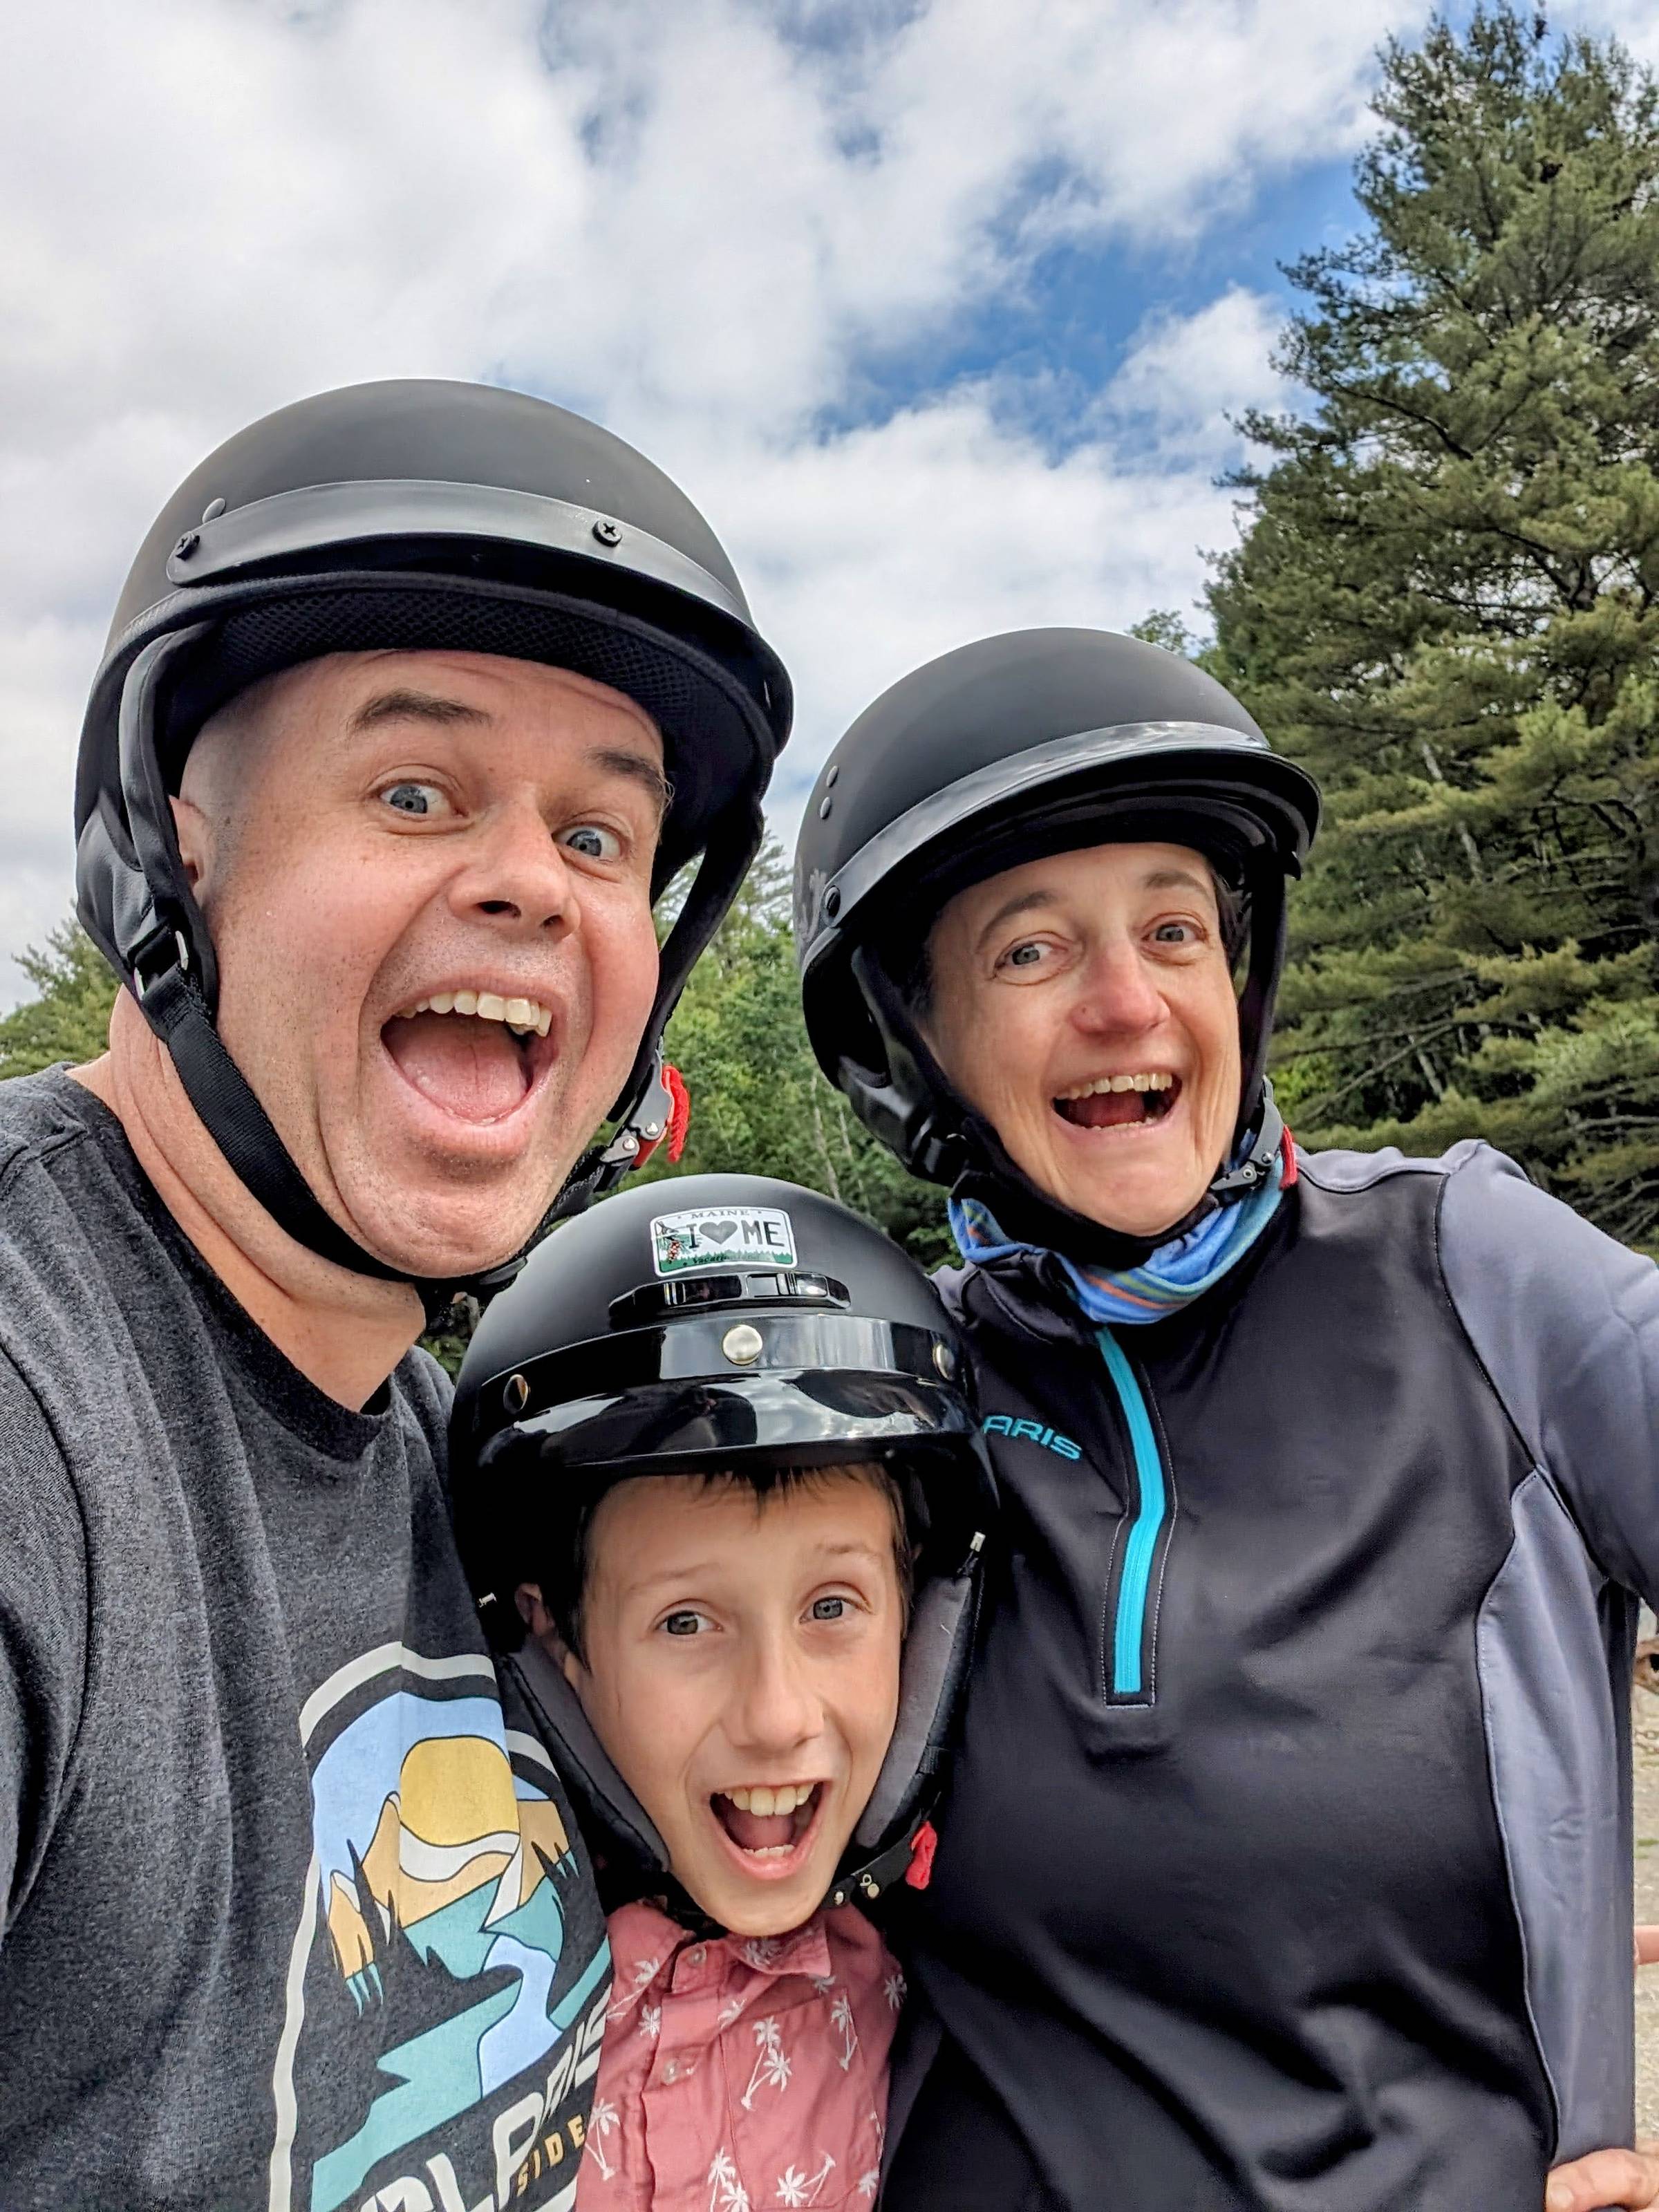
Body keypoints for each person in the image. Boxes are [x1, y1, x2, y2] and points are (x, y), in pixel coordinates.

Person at [0, 379, 790, 2211]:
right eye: (415, 789)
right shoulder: (41, 1399)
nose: (528, 881)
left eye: (601, 838)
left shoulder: (465, 1450)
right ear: (168, 854)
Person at [791, 626, 1659, 2211]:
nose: (1128, 1003)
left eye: (1175, 930)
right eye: (1032, 950)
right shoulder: (884, 1378)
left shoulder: (1469, 1266)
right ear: (913, 1044)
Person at [447, 1172, 995, 2208]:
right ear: (555, 1642)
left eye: (833, 1607)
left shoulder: (933, 1989)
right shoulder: (471, 2004)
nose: (778, 1717)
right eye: (686, 1623)